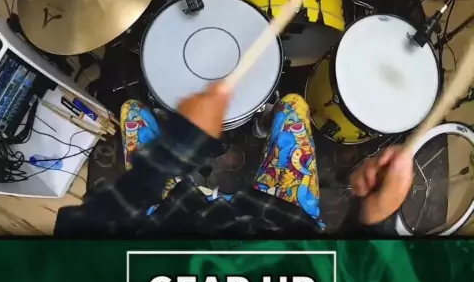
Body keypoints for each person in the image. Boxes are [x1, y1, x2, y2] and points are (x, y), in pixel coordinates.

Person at [54, 84, 414, 237]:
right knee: (293, 106)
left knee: (132, 111)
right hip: (282, 215)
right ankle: (262, 127)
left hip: (168, 216)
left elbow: (84, 229)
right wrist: (371, 218)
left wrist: (175, 148)